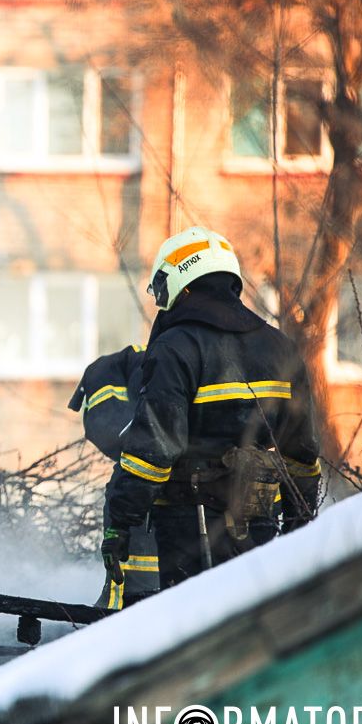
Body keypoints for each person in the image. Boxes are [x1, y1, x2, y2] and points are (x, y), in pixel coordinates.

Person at [101, 226, 322, 590]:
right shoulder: (281, 347)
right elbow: (301, 453)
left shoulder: (176, 347)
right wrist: (300, 523)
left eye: (161, 288)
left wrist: (120, 521)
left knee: (195, 624)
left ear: (182, 283)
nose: (161, 301)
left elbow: (155, 449)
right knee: (253, 617)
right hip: (259, 523)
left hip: (190, 526)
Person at [68, 344, 159, 609]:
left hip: (146, 494)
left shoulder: (106, 377)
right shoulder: (166, 357)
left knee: (132, 593)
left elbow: (111, 435)